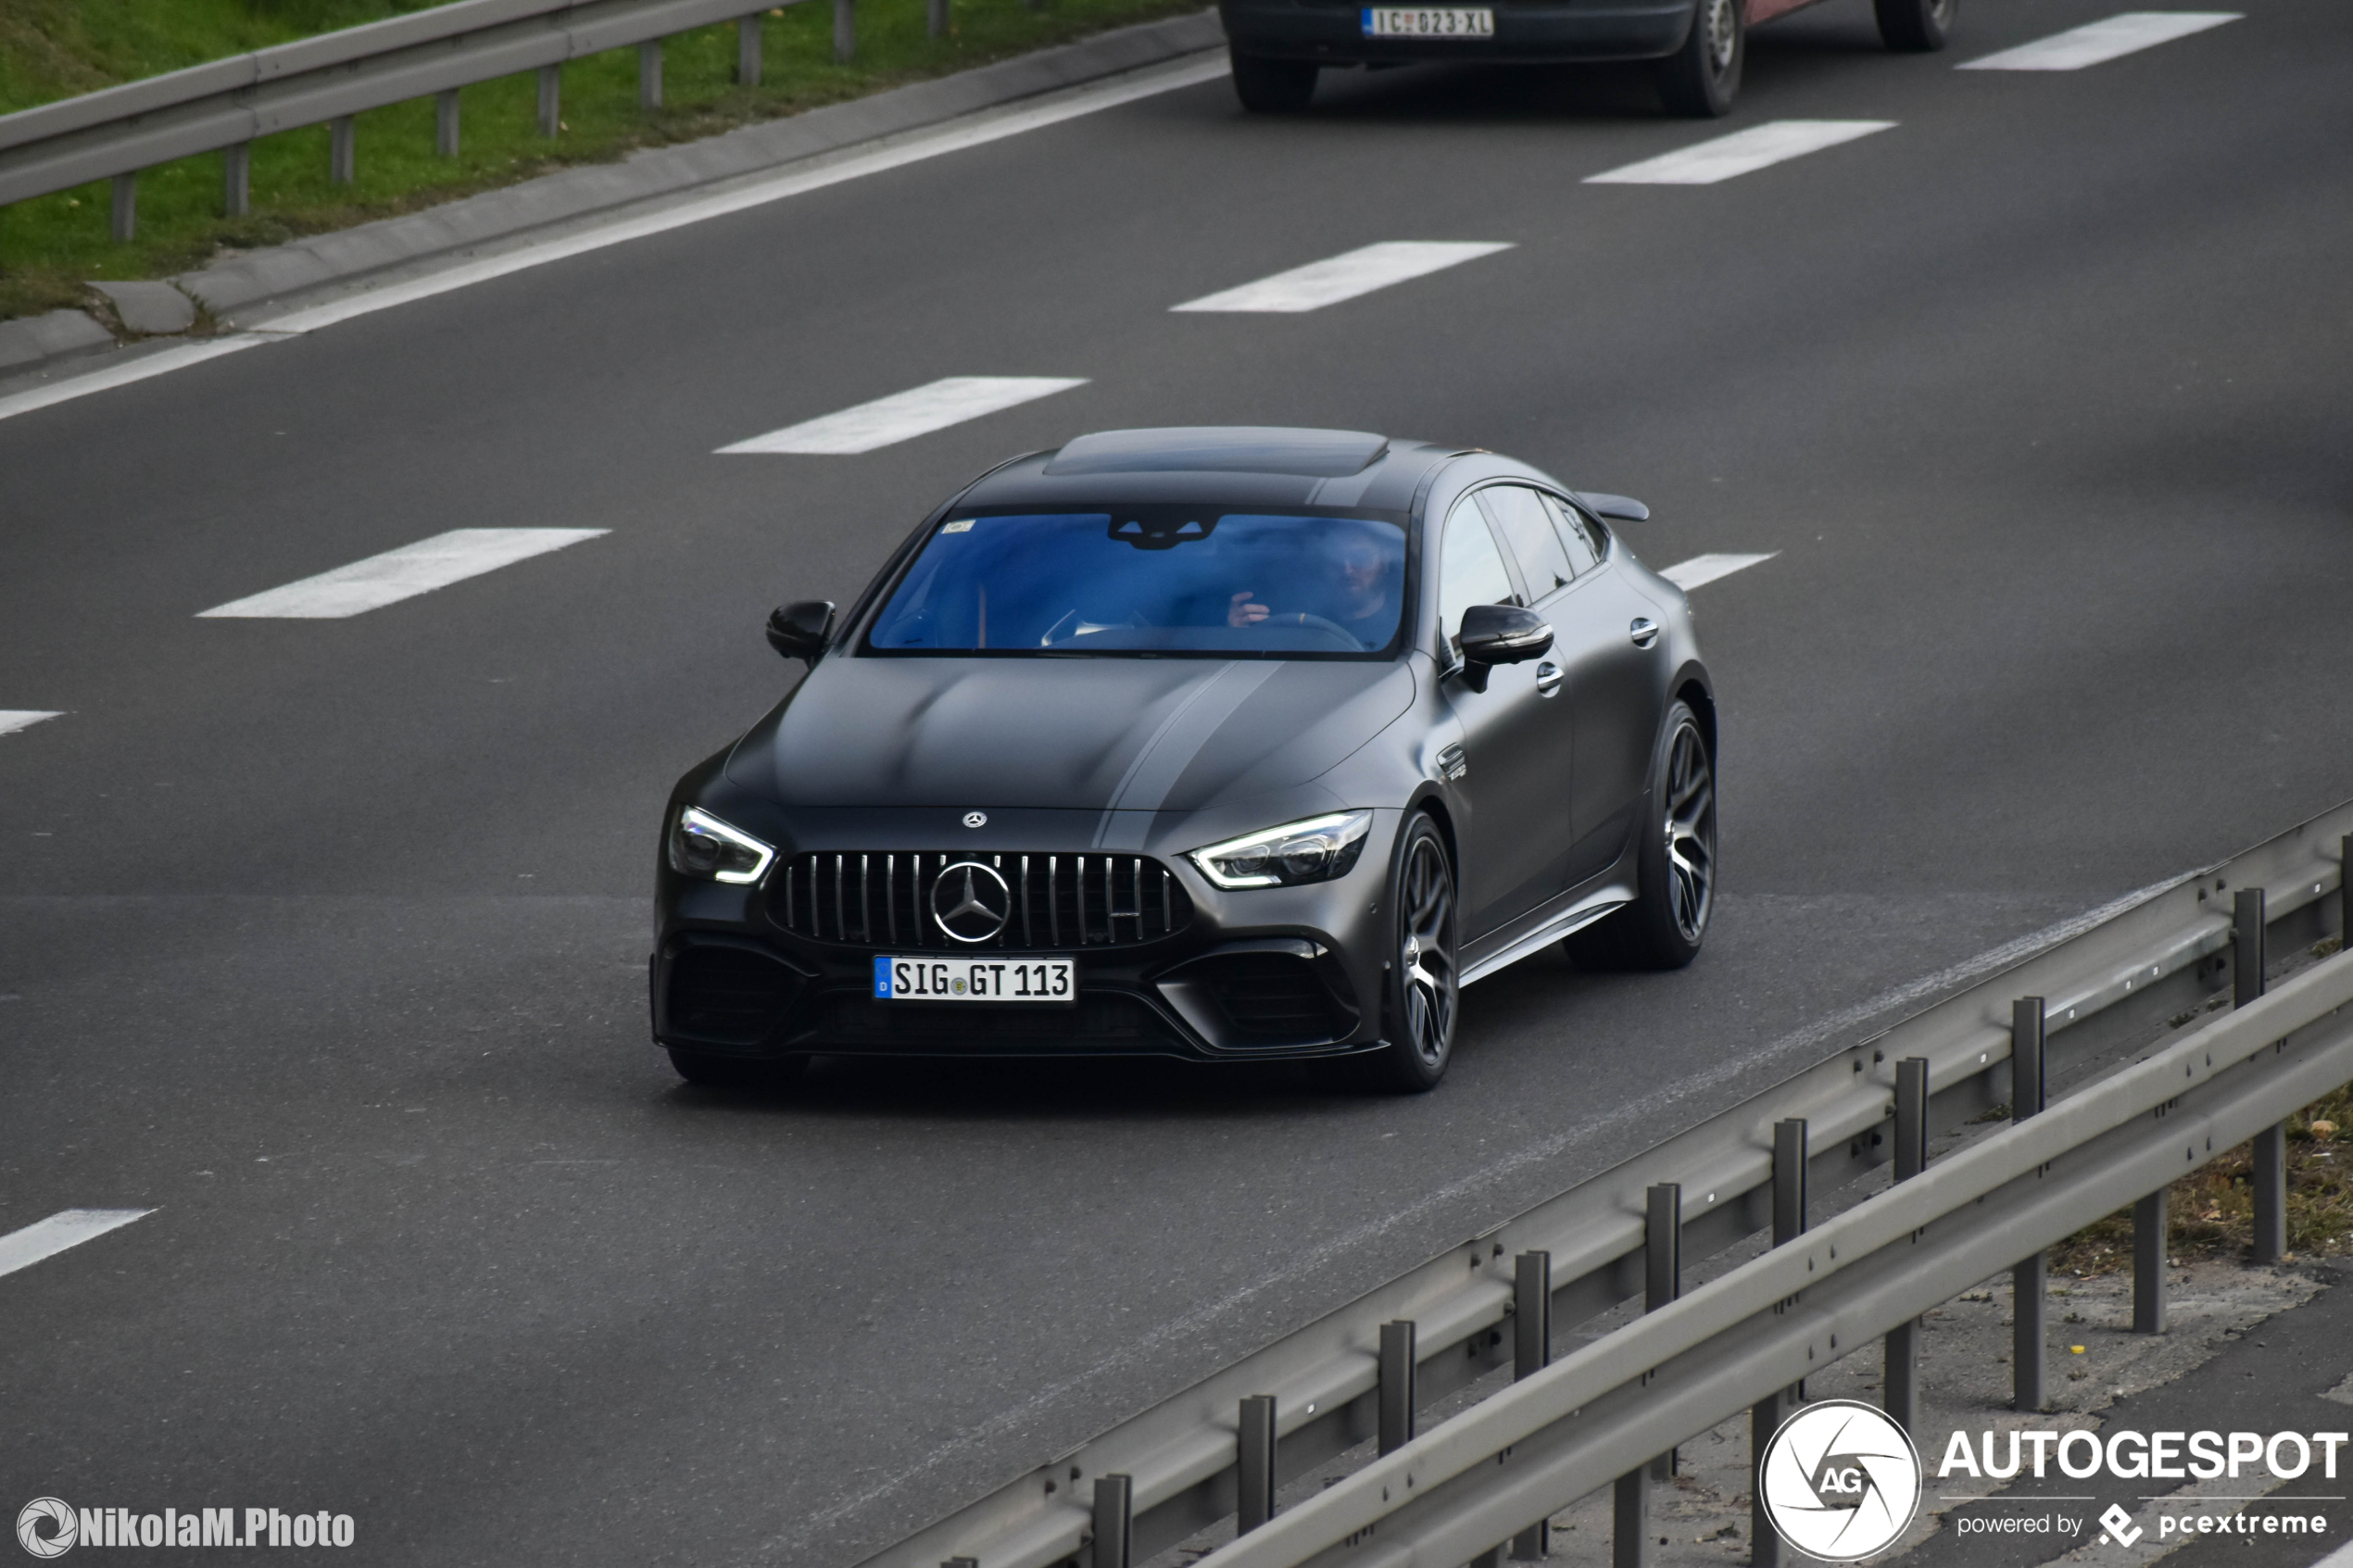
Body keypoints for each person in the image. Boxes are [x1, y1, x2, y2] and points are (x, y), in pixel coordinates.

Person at [1225, 525, 1396, 644]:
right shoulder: (1286, 618)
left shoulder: (1410, 630)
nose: (1347, 569)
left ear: (1385, 560)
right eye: (1334, 557)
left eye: (1360, 557)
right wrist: (1238, 637)